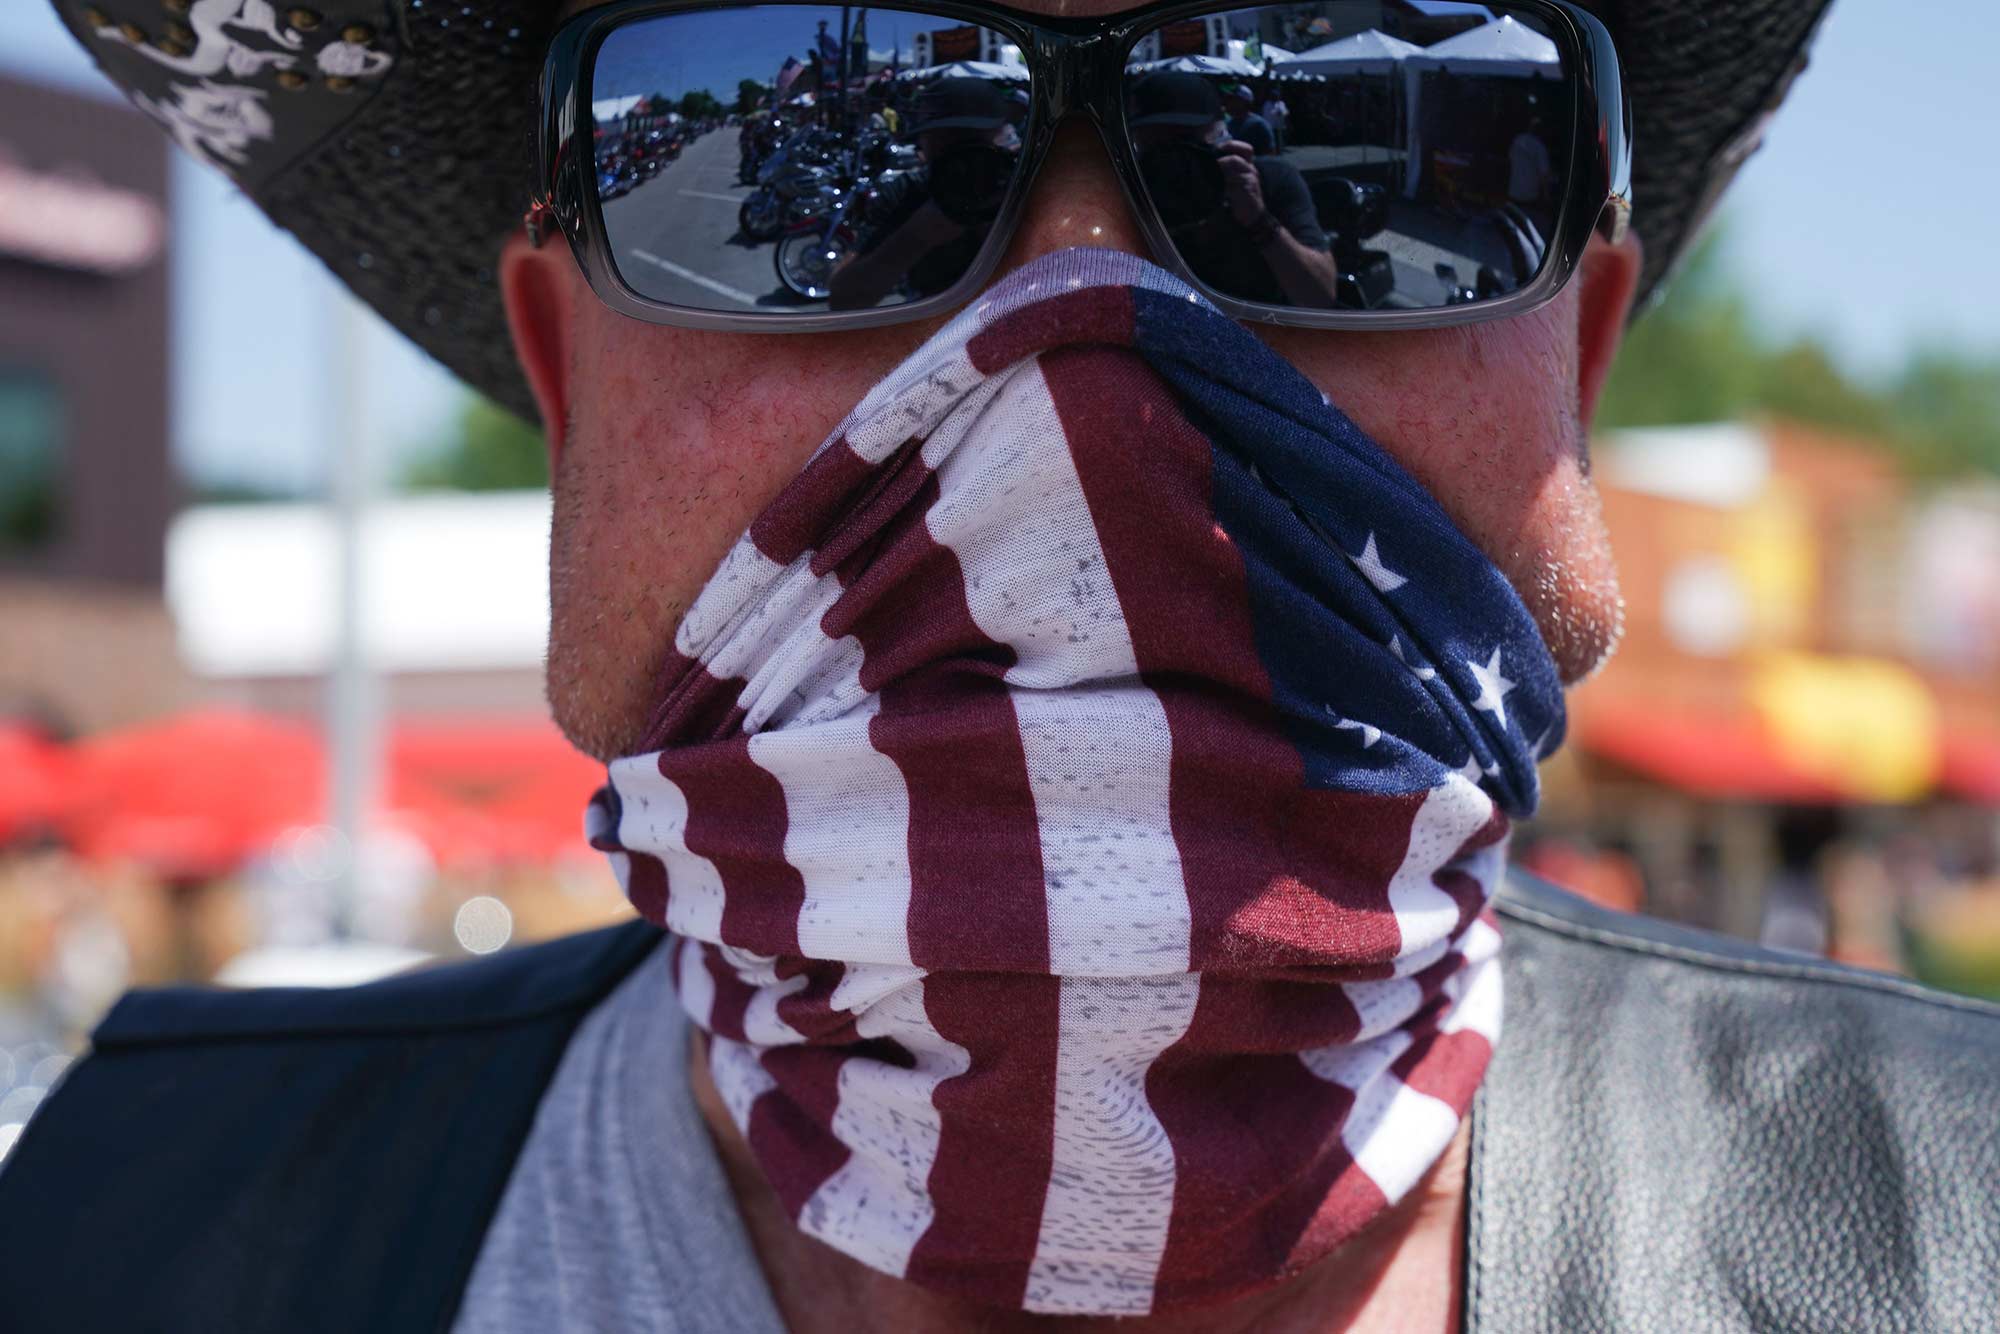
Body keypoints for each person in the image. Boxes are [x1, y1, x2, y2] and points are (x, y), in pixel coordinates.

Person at [11, 3, 2000, 1333]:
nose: (1080, 342)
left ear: (1570, 359)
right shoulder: (108, 1239)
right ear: (566, 387)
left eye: (1352, 150)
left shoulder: (1957, 1233)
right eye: (817, 154)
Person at [1128, 71, 1340, 307]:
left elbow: (1320, 297)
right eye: (1153, 150)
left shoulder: (1266, 180)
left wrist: (1258, 219)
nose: (1170, 168)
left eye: (1185, 145)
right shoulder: (1132, 190)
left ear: (1221, 140)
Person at [828, 78, 1019, 310]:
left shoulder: (1024, 183)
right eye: (943, 142)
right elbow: (843, 300)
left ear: (1004, 136)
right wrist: (915, 237)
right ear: (923, 145)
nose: (962, 166)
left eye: (970, 139)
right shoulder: (908, 193)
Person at [1218, 79, 1277, 155]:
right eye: (1227, 98)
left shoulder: (1259, 125)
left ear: (1245, 102)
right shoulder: (1229, 122)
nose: (1226, 102)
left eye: (1231, 98)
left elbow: (1270, 155)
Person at [1261, 86, 1290, 152]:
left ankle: (1279, 149)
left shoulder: (1281, 103)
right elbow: (1267, 113)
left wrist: (1282, 112)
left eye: (1276, 96)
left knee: (1279, 138)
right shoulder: (1267, 103)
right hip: (1270, 124)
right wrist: (1277, 112)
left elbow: (1285, 112)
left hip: (1279, 125)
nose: (1275, 97)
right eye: (1274, 95)